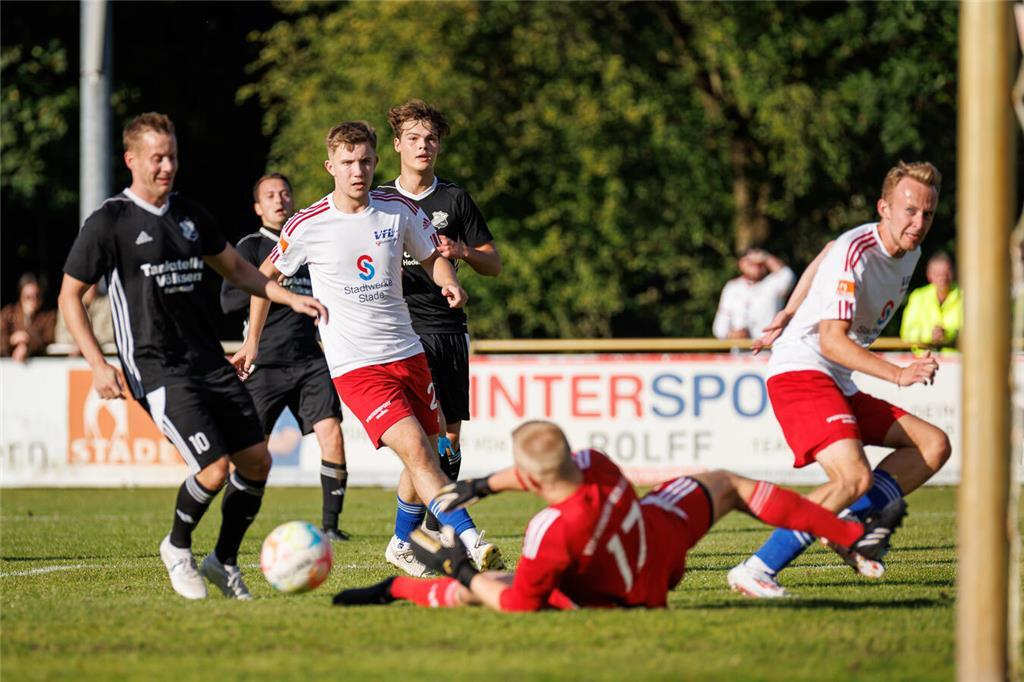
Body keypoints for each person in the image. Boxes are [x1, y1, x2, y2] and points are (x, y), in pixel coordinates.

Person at [58, 112, 327, 600]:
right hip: (156, 367)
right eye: (157, 158)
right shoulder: (109, 221)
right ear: (131, 159)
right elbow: (69, 296)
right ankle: (177, 546)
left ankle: (222, 560)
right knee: (213, 468)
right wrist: (98, 364)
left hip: (208, 359)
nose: (167, 167)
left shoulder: (190, 214)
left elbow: (239, 271)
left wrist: (290, 298)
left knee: (257, 461)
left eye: (173, 157)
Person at [245, 120, 503, 576]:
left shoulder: (397, 209)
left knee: (428, 454)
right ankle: (471, 539)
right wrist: (251, 341)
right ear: (330, 167)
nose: (357, 171)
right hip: (357, 366)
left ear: (376, 161)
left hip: (408, 352)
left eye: (365, 161)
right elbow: (263, 278)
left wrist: (448, 282)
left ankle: (401, 544)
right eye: (347, 162)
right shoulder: (308, 223)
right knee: (419, 453)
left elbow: (431, 256)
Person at [332, 421, 899, 611]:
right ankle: (851, 533)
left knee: (499, 584)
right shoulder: (596, 464)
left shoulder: (548, 530)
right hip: (660, 543)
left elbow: (519, 606)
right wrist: (480, 485)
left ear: (532, 480)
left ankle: (396, 589)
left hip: (622, 593)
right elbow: (545, 469)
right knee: (726, 483)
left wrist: (457, 567)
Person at [728, 161, 952, 599]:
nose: (918, 222)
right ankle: (756, 569)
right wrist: (899, 374)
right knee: (852, 477)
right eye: (909, 210)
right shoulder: (858, 250)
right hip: (801, 372)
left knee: (933, 445)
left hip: (836, 378)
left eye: (927, 213)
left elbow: (827, 249)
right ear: (884, 208)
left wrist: (789, 310)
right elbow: (832, 341)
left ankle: (848, 525)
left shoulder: (910, 252)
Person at [375, 100, 502, 519]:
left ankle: (433, 522)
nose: (422, 146)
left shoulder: (454, 198)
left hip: (445, 326)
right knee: (421, 438)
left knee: (447, 438)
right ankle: (418, 531)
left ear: (439, 147)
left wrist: (462, 251)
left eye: (430, 139)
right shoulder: (378, 200)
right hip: (397, 330)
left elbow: (493, 263)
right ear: (397, 144)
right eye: (413, 138)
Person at [222, 173, 350, 542]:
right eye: (270, 196)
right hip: (263, 362)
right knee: (252, 453)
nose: (279, 200)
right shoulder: (250, 247)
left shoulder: (308, 241)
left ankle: (331, 527)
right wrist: (276, 290)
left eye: (284, 193)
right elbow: (228, 301)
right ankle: (233, 525)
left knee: (332, 433)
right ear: (257, 207)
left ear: (293, 200)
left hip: (310, 359)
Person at [712, 248, 794, 340]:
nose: (756, 266)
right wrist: (732, 334)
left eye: (760, 263)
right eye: (751, 263)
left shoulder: (772, 284)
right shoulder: (732, 287)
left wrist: (765, 257)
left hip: (768, 347)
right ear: (741, 263)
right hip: (740, 348)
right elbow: (719, 328)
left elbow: (788, 275)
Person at [899, 251, 962, 352]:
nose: (943, 277)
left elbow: (976, 331)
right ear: (929, 275)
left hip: (957, 360)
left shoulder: (966, 297)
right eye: (938, 274)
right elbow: (906, 333)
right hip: (924, 358)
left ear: (953, 272)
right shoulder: (918, 297)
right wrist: (929, 334)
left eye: (947, 272)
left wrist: (948, 334)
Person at [1, 274, 56, 362]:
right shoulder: (8, 313)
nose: (33, 300)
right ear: (20, 295)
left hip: (38, 365)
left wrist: (26, 343)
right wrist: (11, 340)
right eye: (28, 297)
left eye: (37, 296)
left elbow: (47, 339)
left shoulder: (48, 316)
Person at [54, 283, 114, 354]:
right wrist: (80, 342)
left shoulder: (109, 303)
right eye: (86, 282)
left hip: (104, 355)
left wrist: (85, 342)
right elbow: (60, 336)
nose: (91, 286)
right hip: (73, 357)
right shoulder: (66, 304)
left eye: (94, 282)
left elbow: (112, 334)